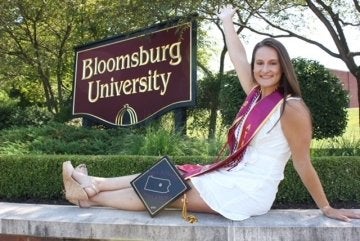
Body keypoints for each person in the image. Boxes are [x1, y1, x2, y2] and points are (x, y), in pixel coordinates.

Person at [62, 5, 360, 222]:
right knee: (172, 174)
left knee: (166, 192)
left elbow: (303, 162)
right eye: (260, 64)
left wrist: (326, 207)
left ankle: (87, 194)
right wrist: (227, 21)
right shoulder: (256, 95)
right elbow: (239, 56)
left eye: (271, 63)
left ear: (282, 67)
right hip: (233, 176)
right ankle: (96, 183)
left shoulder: (290, 107)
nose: (264, 69)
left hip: (250, 190)